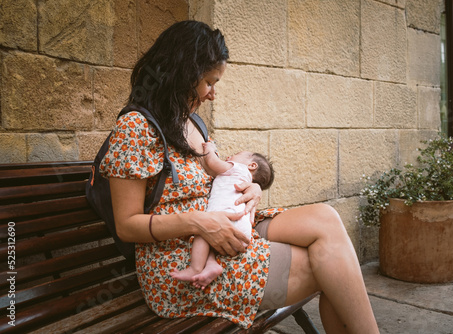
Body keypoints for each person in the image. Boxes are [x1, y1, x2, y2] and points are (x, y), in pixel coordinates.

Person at [102, 20, 379, 333]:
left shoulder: (191, 123)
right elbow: (127, 225)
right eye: (209, 82)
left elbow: (219, 175)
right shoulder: (136, 127)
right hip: (182, 260)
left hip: (223, 226)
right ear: (183, 74)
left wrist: (252, 188)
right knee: (332, 270)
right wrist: (199, 222)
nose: (212, 95)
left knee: (326, 220)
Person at [170, 142, 275, 289]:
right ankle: (212, 265)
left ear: (251, 166)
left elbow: (213, 163)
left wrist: (210, 150)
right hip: (241, 229)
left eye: (237, 154)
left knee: (203, 231)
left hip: (228, 218)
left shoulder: (237, 168)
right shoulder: (244, 179)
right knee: (210, 242)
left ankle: (195, 268)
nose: (230, 156)